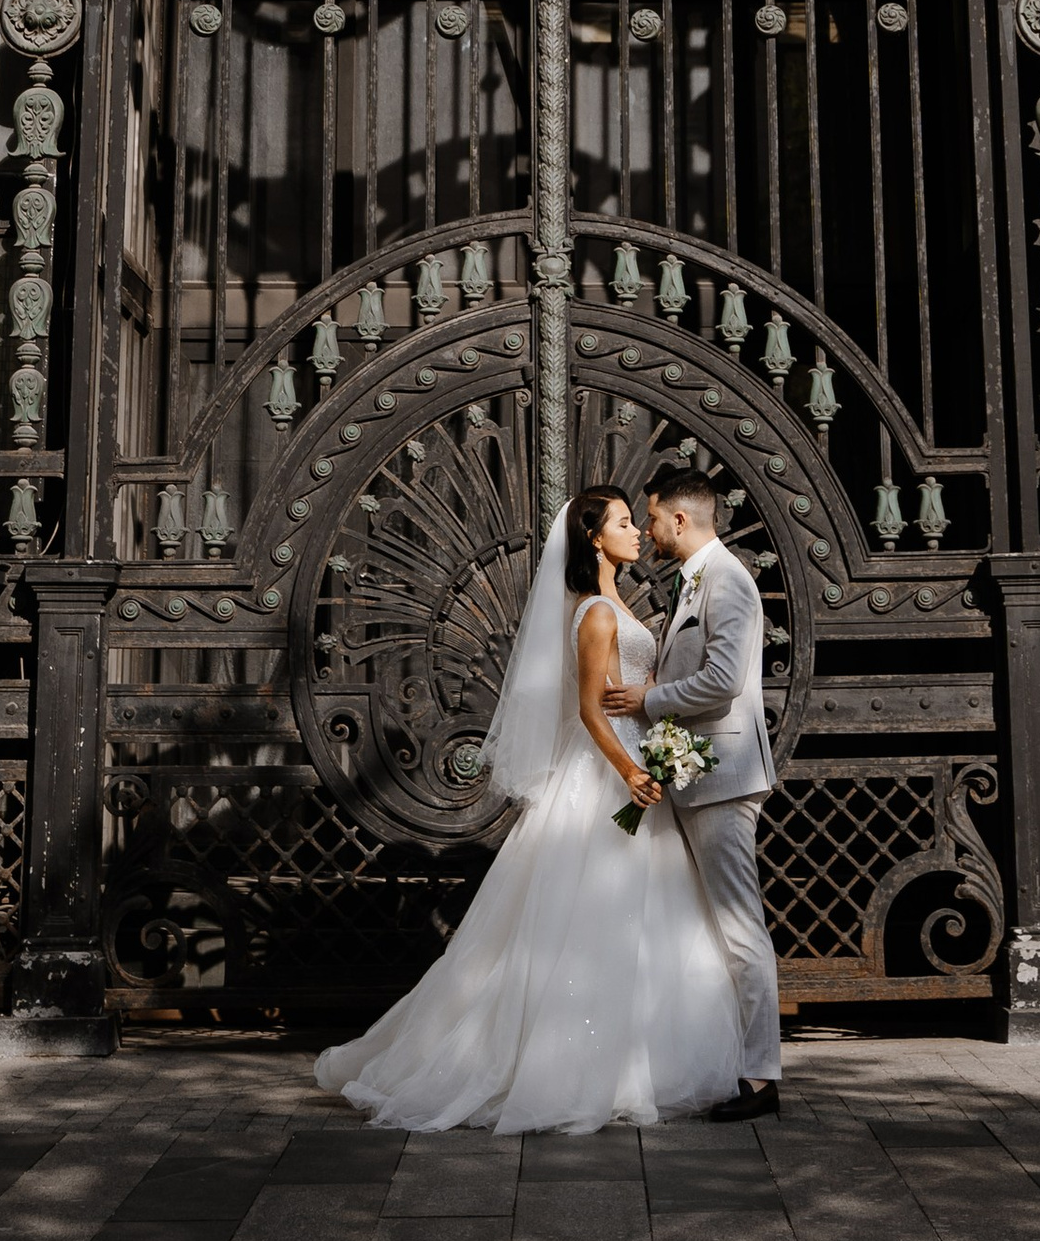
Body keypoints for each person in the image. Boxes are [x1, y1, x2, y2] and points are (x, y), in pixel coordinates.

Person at [312, 484, 746, 1133]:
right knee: (590, 919)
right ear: (594, 538)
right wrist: (630, 769)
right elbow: (589, 711)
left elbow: (635, 692)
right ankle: (563, 1064)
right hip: (604, 775)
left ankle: (638, 1058)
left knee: (642, 918)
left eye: (637, 522)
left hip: (637, 770)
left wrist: (658, 739)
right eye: (626, 523)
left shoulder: (619, 602)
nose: (636, 532)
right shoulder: (595, 613)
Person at [604, 464, 783, 1124]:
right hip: (695, 777)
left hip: (724, 778)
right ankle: (722, 1057)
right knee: (713, 926)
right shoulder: (696, 580)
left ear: (680, 519)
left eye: (651, 518)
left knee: (739, 925)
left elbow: (723, 682)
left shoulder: (728, 582)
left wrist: (647, 700)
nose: (648, 530)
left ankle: (762, 1076)